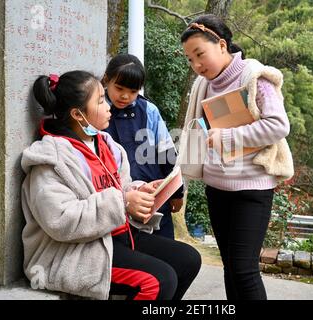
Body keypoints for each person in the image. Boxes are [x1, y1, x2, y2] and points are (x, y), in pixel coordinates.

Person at [21, 70, 201, 300]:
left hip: (114, 237)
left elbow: (121, 187)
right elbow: (61, 220)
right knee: (159, 281)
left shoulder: (107, 145)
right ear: (78, 114)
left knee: (188, 260)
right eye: (100, 101)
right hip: (74, 251)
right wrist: (124, 202)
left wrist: (138, 191)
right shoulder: (51, 160)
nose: (108, 106)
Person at [179, 14, 293, 300]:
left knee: (244, 270)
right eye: (190, 59)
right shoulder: (202, 86)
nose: (196, 65)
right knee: (230, 267)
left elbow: (278, 125)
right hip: (217, 188)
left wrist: (227, 138)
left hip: (251, 189)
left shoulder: (254, 77)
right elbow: (196, 132)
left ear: (221, 45)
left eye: (199, 54)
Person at [102, 54, 183, 239]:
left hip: (153, 197)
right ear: (107, 79)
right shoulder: (97, 110)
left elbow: (167, 152)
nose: (125, 96)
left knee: (166, 254)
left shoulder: (148, 110)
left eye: (133, 91)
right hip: (117, 201)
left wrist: (177, 192)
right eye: (119, 88)